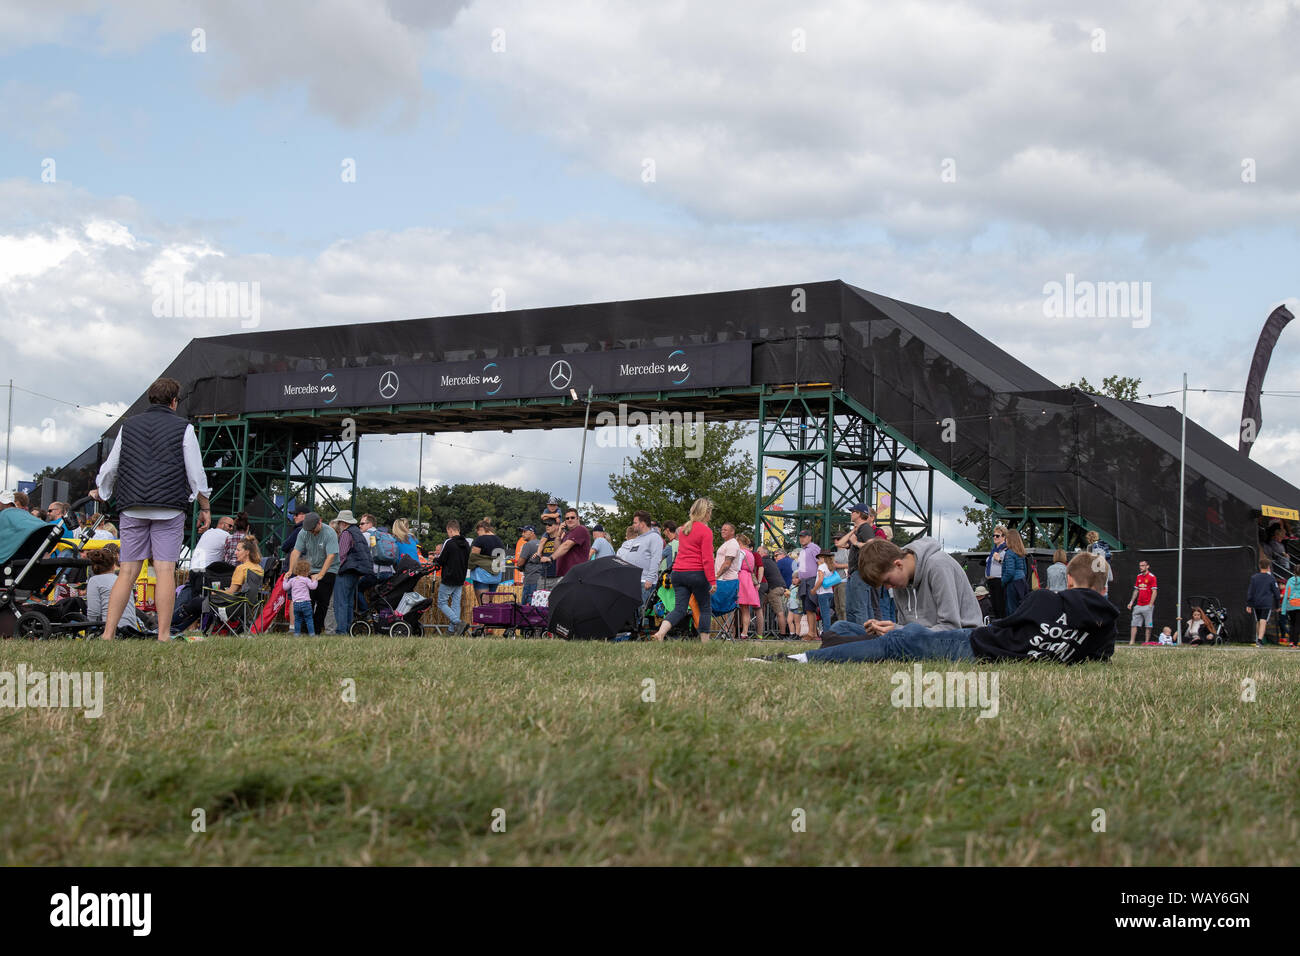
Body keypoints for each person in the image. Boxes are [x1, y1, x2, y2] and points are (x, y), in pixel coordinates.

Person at [755, 551, 1116, 665]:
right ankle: (843, 646)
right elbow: (1098, 658)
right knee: (853, 631)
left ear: (1068, 581)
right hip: (975, 646)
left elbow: (1006, 625)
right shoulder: (1105, 626)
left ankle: (799, 659)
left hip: (970, 643)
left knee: (900, 642)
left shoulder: (1044, 600)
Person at [90, 376, 213, 642]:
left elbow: (111, 466)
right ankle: (164, 635)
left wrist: (103, 491)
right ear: (174, 401)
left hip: (132, 506)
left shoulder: (128, 426)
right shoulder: (184, 428)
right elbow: (195, 473)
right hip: (169, 508)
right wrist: (205, 506)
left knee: (127, 572)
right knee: (166, 570)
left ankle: (108, 634)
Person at [819, 536, 983, 646]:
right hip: (917, 638)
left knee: (888, 647)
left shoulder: (938, 565)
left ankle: (813, 656)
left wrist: (898, 631)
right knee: (841, 627)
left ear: (898, 564)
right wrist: (886, 628)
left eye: (887, 581)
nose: (889, 588)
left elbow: (951, 628)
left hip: (960, 639)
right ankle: (839, 645)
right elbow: (906, 627)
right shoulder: (902, 580)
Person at [651, 497, 717, 642]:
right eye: (710, 512)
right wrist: (712, 580)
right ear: (706, 513)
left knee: (679, 609)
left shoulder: (684, 529)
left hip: (678, 573)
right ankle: (705, 643)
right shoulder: (706, 531)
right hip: (697, 574)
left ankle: (660, 634)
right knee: (705, 608)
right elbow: (707, 558)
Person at [289, 512, 338, 636]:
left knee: (323, 601)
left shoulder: (330, 533)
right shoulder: (304, 532)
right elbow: (296, 551)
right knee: (307, 600)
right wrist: (291, 570)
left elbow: (331, 555)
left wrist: (321, 575)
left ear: (319, 522)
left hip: (329, 569)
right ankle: (305, 631)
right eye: (309, 530)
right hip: (311, 569)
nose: (312, 532)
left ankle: (316, 631)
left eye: (313, 529)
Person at [86, 546, 145, 634]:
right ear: (113, 566)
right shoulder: (123, 581)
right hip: (131, 629)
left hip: (110, 629)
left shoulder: (94, 581)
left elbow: (94, 612)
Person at [332, 510, 373, 635]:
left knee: (340, 602)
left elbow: (341, 554)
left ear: (343, 523)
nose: (338, 524)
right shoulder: (358, 533)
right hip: (356, 572)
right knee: (349, 602)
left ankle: (341, 630)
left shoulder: (346, 533)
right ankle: (349, 628)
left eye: (339, 522)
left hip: (346, 571)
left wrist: (335, 569)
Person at [617, 511, 663, 616]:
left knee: (640, 612)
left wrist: (650, 579)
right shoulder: (638, 539)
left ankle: (639, 630)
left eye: (635, 523)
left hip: (645, 582)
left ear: (642, 524)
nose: (633, 525)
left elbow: (656, 559)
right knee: (632, 612)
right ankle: (633, 630)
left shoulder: (654, 537)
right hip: (633, 581)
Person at [837, 505, 875, 624]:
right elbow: (840, 544)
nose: (851, 513)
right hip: (854, 573)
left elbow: (871, 546)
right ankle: (856, 634)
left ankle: (862, 635)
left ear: (859, 513)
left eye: (853, 511)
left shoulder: (866, 528)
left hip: (860, 571)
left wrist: (856, 542)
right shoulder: (859, 529)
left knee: (859, 607)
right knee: (851, 608)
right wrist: (853, 531)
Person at [433, 519, 470, 634]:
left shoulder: (449, 542)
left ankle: (457, 622)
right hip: (460, 577)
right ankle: (451, 630)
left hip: (449, 577)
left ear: (450, 530)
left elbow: (442, 560)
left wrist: (435, 560)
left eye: (447, 531)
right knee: (455, 604)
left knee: (441, 603)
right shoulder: (466, 544)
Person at [468, 518, 505, 604]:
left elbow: (473, 558)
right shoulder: (499, 540)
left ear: (480, 529)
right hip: (496, 575)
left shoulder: (479, 540)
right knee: (490, 603)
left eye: (477, 532)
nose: (478, 534)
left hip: (482, 576)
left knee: (483, 604)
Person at [1246, 556, 1279, 647]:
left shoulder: (1254, 577)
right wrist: (1277, 605)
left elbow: (1250, 591)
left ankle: (1258, 639)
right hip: (1266, 603)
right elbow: (1276, 592)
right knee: (1263, 620)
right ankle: (1260, 640)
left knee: (1258, 620)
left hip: (1256, 603)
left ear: (1260, 566)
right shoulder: (1271, 578)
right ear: (1269, 566)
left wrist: (1249, 604)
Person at [548, 508, 591, 579]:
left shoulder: (581, 529)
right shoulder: (568, 534)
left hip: (576, 575)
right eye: (567, 518)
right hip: (564, 574)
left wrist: (550, 558)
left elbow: (566, 546)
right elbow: (557, 550)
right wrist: (559, 534)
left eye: (572, 517)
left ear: (578, 518)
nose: (569, 520)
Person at [282, 558, 319, 635]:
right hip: (306, 603)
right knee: (309, 619)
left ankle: (297, 634)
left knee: (297, 620)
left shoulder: (292, 580)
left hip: (295, 603)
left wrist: (285, 579)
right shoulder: (306, 580)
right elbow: (313, 587)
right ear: (307, 571)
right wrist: (315, 580)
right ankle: (312, 634)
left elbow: (285, 587)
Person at [735, 532, 761, 637]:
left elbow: (737, 567)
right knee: (745, 609)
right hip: (749, 579)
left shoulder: (741, 552)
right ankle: (744, 632)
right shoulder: (750, 553)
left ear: (739, 542)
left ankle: (736, 632)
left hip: (741, 578)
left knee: (740, 607)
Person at [1127, 559, 1158, 645]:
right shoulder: (1138, 576)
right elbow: (1136, 590)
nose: (1141, 567)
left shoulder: (1152, 577)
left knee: (1148, 625)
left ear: (1147, 566)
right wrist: (1131, 602)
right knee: (1134, 624)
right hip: (1138, 605)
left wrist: (1150, 605)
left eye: (1143, 565)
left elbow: (1154, 592)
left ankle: (1146, 642)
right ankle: (1131, 641)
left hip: (1147, 605)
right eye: (1140, 565)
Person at [759, 546, 788, 638]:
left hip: (774, 588)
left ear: (762, 553)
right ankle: (761, 630)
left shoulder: (763, 562)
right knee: (760, 605)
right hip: (780, 587)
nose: (756, 554)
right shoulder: (771, 562)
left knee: (779, 612)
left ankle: (782, 634)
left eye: (758, 551)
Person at [1002, 528, 1029, 615]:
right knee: (1021, 608)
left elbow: (1010, 571)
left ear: (1009, 540)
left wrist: (1002, 581)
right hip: (1022, 582)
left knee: (1011, 609)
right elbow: (1024, 570)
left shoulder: (1009, 553)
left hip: (1013, 583)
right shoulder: (1021, 553)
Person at [984, 525, 1008, 618]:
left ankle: (1001, 625)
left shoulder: (1006, 550)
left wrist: (999, 560)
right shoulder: (993, 550)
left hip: (999, 580)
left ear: (1004, 537)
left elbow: (1008, 565)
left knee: (1000, 605)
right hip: (991, 580)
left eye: (997, 536)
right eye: (993, 535)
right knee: (994, 606)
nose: (995, 537)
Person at [813, 549, 837, 637]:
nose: (818, 560)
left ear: (822, 558)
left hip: (822, 592)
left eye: (819, 558)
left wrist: (814, 589)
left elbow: (820, 580)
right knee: (827, 613)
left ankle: (827, 632)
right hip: (830, 591)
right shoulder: (830, 566)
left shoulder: (822, 567)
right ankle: (828, 630)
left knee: (825, 614)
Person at [535, 515, 563, 589]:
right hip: (543, 576)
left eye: (550, 525)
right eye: (546, 524)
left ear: (557, 526)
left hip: (558, 577)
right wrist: (538, 555)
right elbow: (540, 551)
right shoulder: (544, 539)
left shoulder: (563, 537)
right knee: (540, 599)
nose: (547, 526)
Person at [1085, 531, 1113, 596]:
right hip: (1104, 588)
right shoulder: (1104, 546)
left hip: (1095, 587)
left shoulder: (1090, 547)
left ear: (1089, 538)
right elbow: (1111, 578)